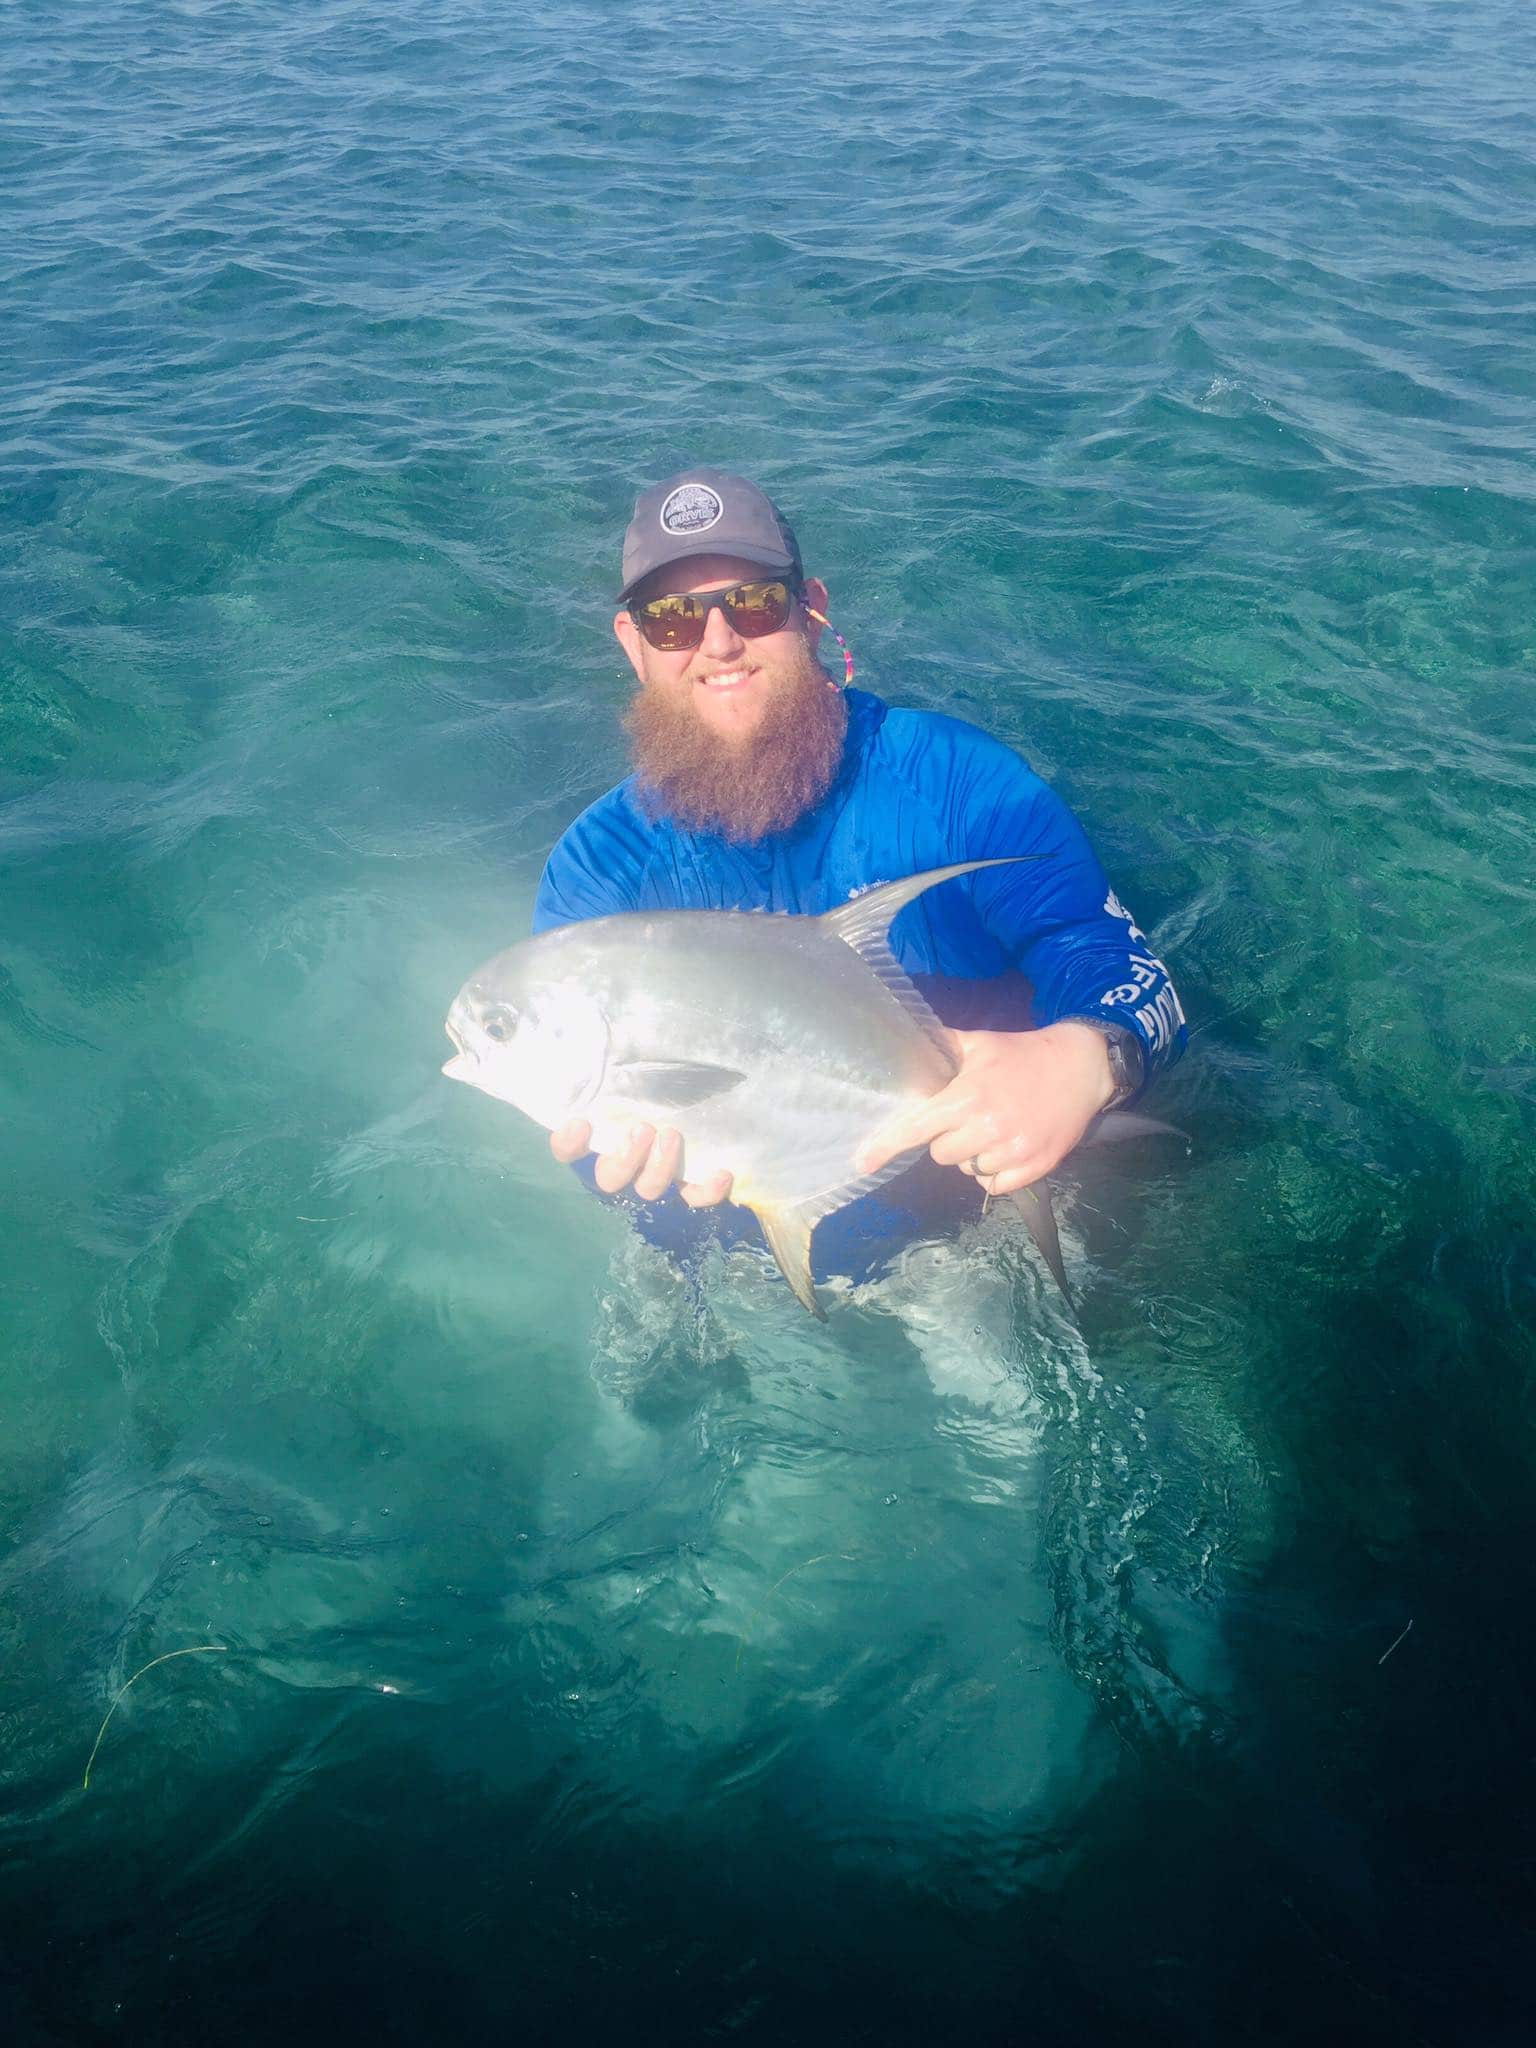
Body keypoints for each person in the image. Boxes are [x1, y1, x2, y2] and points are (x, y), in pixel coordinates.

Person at [533, 468, 1185, 1290]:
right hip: (742, 1257)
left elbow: (1111, 960)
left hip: (985, 1221)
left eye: (756, 603)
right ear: (632, 645)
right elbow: (587, 1102)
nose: (719, 642)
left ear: (810, 613)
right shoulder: (598, 875)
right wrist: (619, 1169)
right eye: (673, 620)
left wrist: (1089, 1058)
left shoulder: (958, 785)